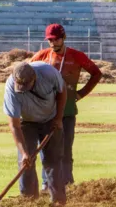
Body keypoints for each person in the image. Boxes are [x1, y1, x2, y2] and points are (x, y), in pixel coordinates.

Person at [30, 23, 103, 187]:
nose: (53, 43)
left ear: (64, 38)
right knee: (46, 148)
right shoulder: (42, 56)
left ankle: (68, 183)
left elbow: (96, 73)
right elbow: (26, 73)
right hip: (46, 112)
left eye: (56, 39)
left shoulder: (77, 56)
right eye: (50, 40)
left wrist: (81, 93)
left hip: (68, 111)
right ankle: (46, 184)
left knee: (66, 149)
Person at [3, 61, 67, 204]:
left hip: (50, 119)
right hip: (26, 122)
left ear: (34, 79)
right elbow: (14, 124)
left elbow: (62, 92)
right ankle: (29, 203)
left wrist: (58, 118)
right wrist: (24, 152)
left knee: (53, 162)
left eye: (27, 86)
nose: (23, 90)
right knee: (26, 163)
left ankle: (58, 203)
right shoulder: (10, 88)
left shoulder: (49, 73)